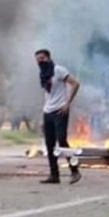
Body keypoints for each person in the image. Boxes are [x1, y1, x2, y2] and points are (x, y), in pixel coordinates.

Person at [34, 49, 82, 185]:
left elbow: (75, 83)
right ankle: (54, 175)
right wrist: (43, 114)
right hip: (47, 112)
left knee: (62, 141)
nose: (40, 61)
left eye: (42, 58)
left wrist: (68, 103)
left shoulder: (58, 70)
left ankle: (75, 171)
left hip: (60, 111)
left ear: (48, 58)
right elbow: (47, 95)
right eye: (37, 59)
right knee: (49, 144)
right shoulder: (43, 75)